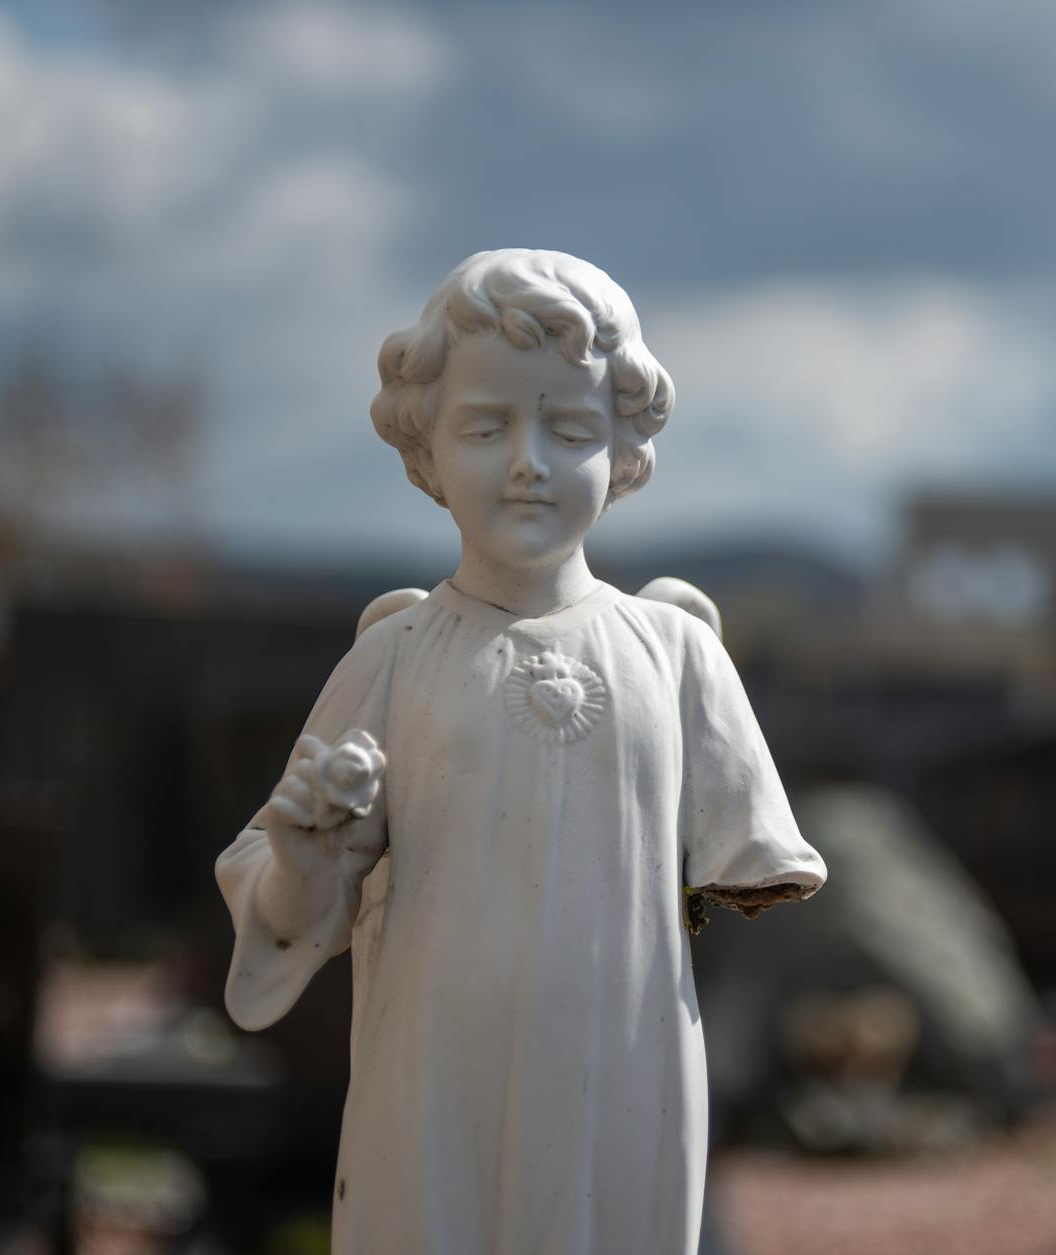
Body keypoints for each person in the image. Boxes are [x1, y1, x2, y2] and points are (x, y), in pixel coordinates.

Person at [214, 249, 826, 1254]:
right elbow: (278, 911)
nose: (528, 460)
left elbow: (750, 863)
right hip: (433, 1077)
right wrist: (307, 861)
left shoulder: (672, 653)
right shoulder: (396, 657)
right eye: (485, 426)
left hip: (622, 1071)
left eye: (570, 427)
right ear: (426, 445)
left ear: (622, 445)